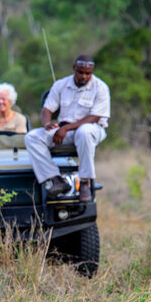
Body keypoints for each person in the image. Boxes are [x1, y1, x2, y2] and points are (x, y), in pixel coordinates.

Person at [25, 55, 110, 202]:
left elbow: (94, 118)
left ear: (92, 72)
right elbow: (47, 109)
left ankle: (84, 182)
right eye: (80, 72)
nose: (84, 76)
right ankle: (56, 180)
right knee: (32, 137)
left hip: (92, 129)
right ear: (74, 69)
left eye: (87, 73)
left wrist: (66, 128)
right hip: (65, 130)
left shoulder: (100, 87)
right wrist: (47, 124)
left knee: (84, 132)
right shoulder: (60, 85)